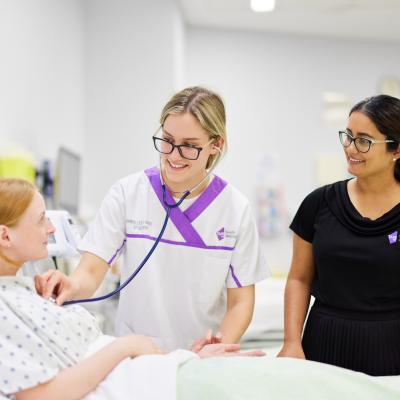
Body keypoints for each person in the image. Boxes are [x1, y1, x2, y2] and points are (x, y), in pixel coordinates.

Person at [35, 86, 269, 350]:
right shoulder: (128, 193)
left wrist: (220, 344)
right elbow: (89, 272)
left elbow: (241, 303)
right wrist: (69, 285)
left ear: (216, 145)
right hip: (136, 356)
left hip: (200, 359)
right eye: (167, 140)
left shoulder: (235, 209)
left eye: (189, 147)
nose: (173, 155)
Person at [0, 178, 264, 400]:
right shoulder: (7, 307)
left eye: (189, 146)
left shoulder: (27, 290)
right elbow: (41, 394)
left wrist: (184, 359)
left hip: (162, 372)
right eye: (40, 219)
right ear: (5, 236)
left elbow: (241, 301)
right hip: (150, 382)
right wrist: (127, 346)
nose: (51, 228)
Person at [278, 94, 400, 376]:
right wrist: (291, 342)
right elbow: (299, 278)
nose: (350, 148)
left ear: (395, 150)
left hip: (391, 346)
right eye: (348, 136)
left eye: (364, 141)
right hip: (323, 342)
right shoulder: (318, 204)